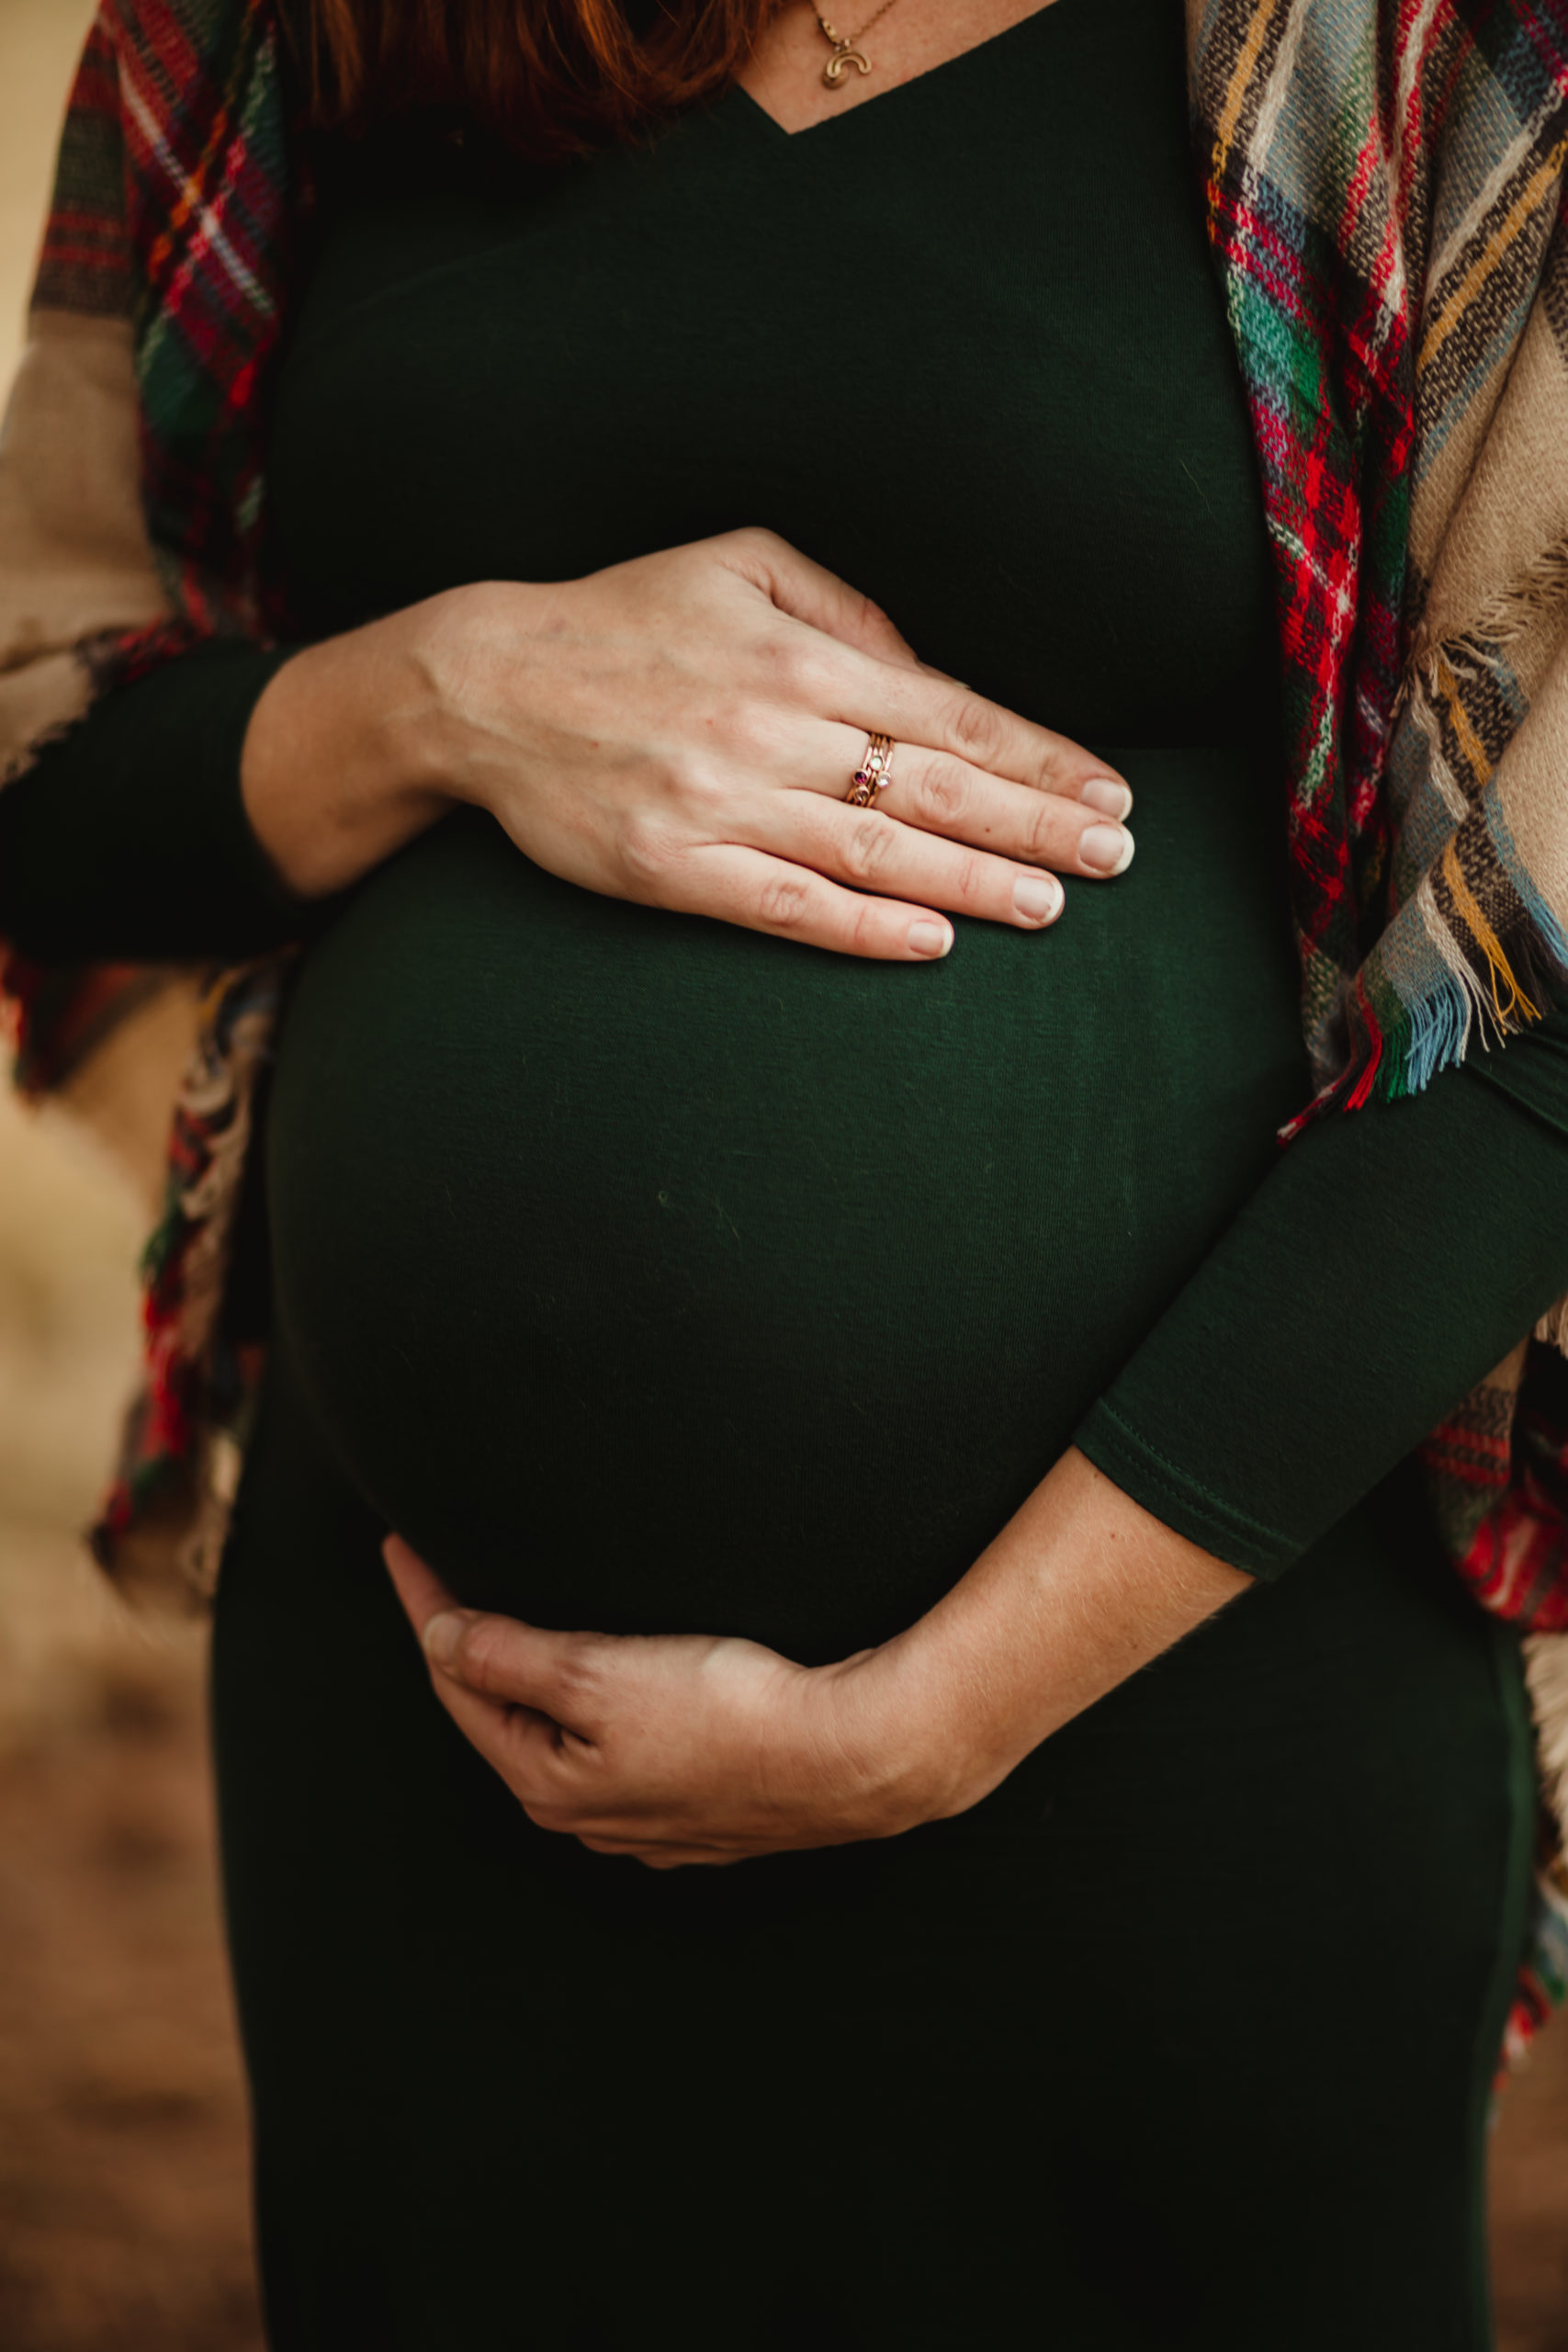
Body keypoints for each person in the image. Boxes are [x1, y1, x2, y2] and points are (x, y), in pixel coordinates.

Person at [2, 0, 1567, 2341]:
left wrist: (947, 1703)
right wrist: (436, 686)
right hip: (435, 1727)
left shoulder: (1443, 57)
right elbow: (44, 748)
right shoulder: (299, 27)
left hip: (1192, 1696)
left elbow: (1551, 996)